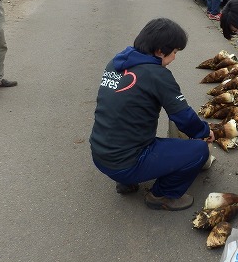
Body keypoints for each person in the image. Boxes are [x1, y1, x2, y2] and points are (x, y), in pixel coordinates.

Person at [89, 18, 215, 210]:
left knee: (128, 125)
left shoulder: (115, 63)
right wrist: (204, 132)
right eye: (174, 52)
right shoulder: (157, 74)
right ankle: (162, 195)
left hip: (100, 155)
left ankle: (126, 182)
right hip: (127, 162)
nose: (174, 58)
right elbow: (183, 117)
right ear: (160, 51)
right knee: (198, 151)